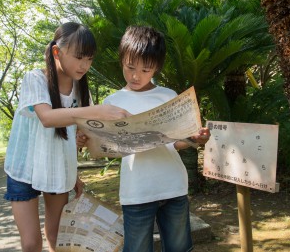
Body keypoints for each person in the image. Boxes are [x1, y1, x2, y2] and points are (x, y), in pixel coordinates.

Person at [3, 22, 130, 252]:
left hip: (55, 169)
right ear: (56, 52)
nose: (85, 65)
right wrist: (94, 111)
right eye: (79, 57)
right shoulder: (35, 79)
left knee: (57, 237)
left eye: (90, 59)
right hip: (23, 170)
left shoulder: (81, 91)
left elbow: (74, 135)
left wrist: (81, 145)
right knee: (31, 243)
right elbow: (48, 118)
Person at [90, 25, 210, 252]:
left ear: (156, 67)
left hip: (173, 186)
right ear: (122, 60)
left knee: (179, 248)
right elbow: (104, 147)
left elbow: (175, 143)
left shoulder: (168, 96)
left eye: (146, 69)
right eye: (130, 67)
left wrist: (196, 139)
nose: (136, 75)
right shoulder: (110, 103)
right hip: (136, 191)